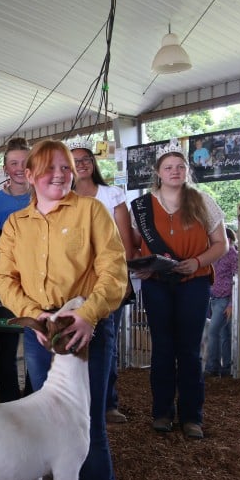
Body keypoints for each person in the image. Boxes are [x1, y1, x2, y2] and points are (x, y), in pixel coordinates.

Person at [0, 139, 127, 480]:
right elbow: (4, 278)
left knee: (89, 430)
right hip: (40, 335)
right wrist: (35, 316)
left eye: (66, 168)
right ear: (29, 175)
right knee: (43, 420)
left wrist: (87, 314)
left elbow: (113, 269)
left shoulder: (91, 211)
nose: (59, 175)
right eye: (49, 169)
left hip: (86, 331)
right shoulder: (16, 223)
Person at [130, 145, 227, 441]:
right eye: (169, 166)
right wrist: (142, 267)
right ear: (158, 172)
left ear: (187, 171)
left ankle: (191, 416)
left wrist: (196, 262)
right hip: (157, 281)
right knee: (161, 347)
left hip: (193, 281)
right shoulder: (142, 206)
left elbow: (220, 244)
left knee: (188, 349)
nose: (175, 171)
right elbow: (132, 244)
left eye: (180, 166)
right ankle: (161, 412)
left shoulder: (203, 202)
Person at [69, 140, 136, 424]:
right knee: (74, 342)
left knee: (106, 341)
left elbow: (126, 242)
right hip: (72, 283)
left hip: (108, 280)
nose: (81, 164)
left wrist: (120, 276)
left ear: (93, 163)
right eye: (74, 161)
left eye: (85, 159)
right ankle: (75, 403)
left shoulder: (112, 194)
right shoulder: (62, 197)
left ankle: (107, 403)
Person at [0, 137, 32, 403]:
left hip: (39, 286)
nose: (20, 168)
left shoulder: (44, 197)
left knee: (37, 345)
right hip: (5, 287)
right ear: (5, 167)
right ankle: (9, 402)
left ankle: (35, 401)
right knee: (8, 348)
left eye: (24, 162)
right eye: (14, 163)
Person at [204, 227, 238, 377]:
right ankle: (226, 369)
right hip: (215, 298)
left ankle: (213, 367)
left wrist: (231, 304)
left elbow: (236, 280)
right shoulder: (216, 254)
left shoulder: (233, 255)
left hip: (225, 299)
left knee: (213, 332)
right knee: (224, 334)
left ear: (227, 240)